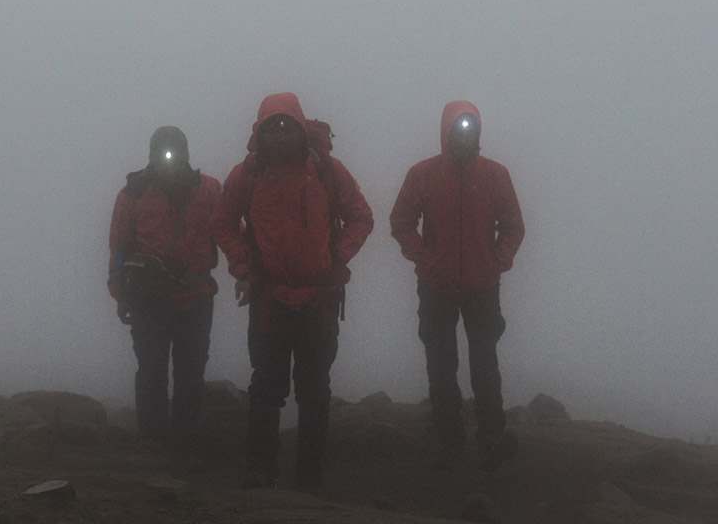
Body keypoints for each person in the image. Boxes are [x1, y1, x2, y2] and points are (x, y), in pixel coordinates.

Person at [211, 93, 373, 489]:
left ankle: (308, 476)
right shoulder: (246, 175)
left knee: (314, 389)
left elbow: (361, 218)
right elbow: (222, 223)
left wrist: (337, 257)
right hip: (270, 297)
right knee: (267, 385)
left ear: (301, 128)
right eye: (272, 127)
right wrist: (243, 265)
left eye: (287, 126)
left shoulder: (327, 171)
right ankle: (262, 470)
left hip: (318, 297)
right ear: (259, 131)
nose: (280, 133)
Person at [390, 101, 525, 471]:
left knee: (484, 363)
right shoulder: (423, 175)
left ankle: (491, 438)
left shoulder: (496, 175)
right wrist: (423, 258)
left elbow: (513, 226)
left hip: (481, 286)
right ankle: (450, 441)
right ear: (446, 132)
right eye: (458, 129)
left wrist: (496, 263)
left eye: (470, 129)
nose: (465, 135)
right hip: (437, 287)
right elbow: (400, 220)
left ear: (478, 131)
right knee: (441, 365)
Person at [108, 126, 221, 461]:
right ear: (151, 154)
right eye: (163, 150)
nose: (169, 157)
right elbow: (119, 246)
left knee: (191, 373)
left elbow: (230, 230)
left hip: (196, 293)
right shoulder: (132, 193)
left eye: (175, 150)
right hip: (149, 298)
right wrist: (119, 293)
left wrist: (247, 270)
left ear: (186, 152)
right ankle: (153, 446)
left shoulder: (210, 190)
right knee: (151, 370)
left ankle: (185, 446)